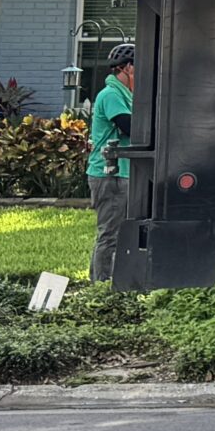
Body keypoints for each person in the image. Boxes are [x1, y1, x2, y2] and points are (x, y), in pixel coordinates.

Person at [88, 43, 134, 285]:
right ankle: (102, 286)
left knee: (113, 233)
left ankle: (97, 282)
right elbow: (131, 126)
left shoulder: (126, 94)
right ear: (127, 68)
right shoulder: (112, 95)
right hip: (109, 174)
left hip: (121, 171)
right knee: (110, 234)